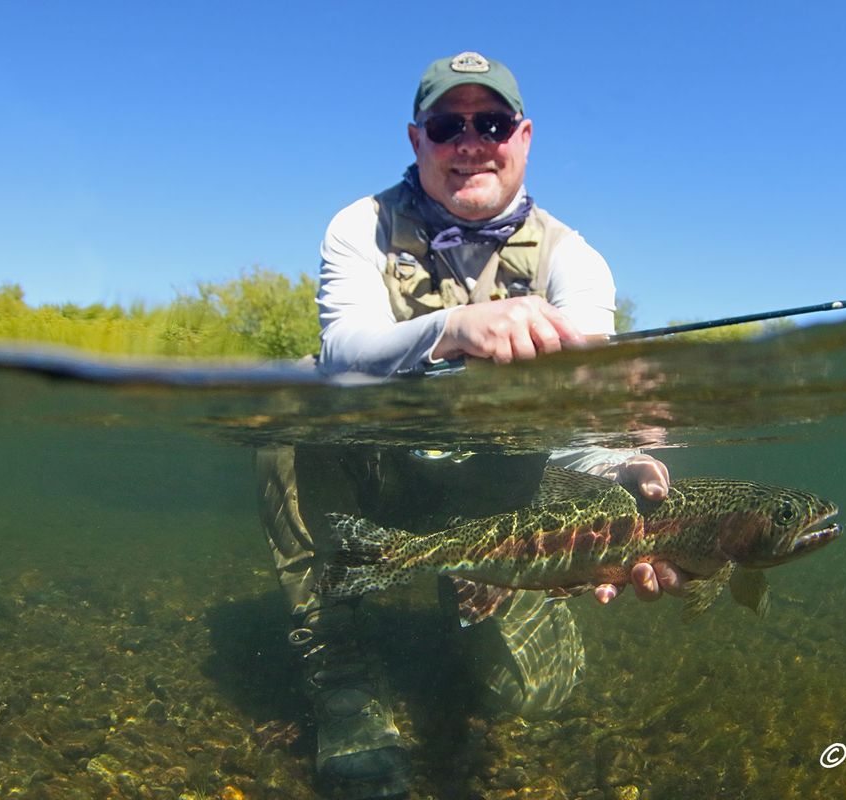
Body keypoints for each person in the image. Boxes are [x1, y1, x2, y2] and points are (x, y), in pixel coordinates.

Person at [258, 51, 683, 799]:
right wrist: (455, 326)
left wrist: (624, 470)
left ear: (522, 136)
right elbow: (344, 350)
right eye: (447, 125)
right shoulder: (359, 225)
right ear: (416, 139)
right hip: (368, 466)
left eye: (489, 122)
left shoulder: (574, 260)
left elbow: (584, 414)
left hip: (497, 484)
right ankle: (341, 666)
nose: (469, 141)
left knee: (535, 697)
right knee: (289, 402)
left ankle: (467, 578)